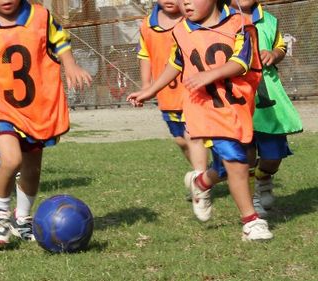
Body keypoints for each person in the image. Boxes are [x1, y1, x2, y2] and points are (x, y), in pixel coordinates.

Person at [0, 0, 92, 245]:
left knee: (32, 168)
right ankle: (0, 214)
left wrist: (70, 64)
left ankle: (22, 219)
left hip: (36, 108)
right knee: (12, 159)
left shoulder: (40, 16)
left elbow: (60, 40)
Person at [127, 0, 273, 241]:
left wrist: (211, 74)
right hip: (204, 108)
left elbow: (243, 60)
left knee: (240, 161)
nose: (185, 2)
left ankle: (202, 183)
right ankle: (251, 221)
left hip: (236, 107)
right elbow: (176, 62)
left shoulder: (240, 25)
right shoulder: (181, 30)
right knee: (235, 160)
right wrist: (150, 90)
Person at [230, 0, 303, 217]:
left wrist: (273, 54)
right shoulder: (218, 20)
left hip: (268, 99)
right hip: (239, 97)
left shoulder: (270, 20)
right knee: (247, 150)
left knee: (273, 156)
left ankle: (264, 177)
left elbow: (280, 47)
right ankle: (252, 198)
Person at [137, 0, 209, 200]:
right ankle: (203, 172)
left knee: (193, 137)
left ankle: (201, 186)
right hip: (167, 95)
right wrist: (146, 85)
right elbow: (144, 55)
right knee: (181, 141)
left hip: (194, 91)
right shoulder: (147, 25)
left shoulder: (193, 19)